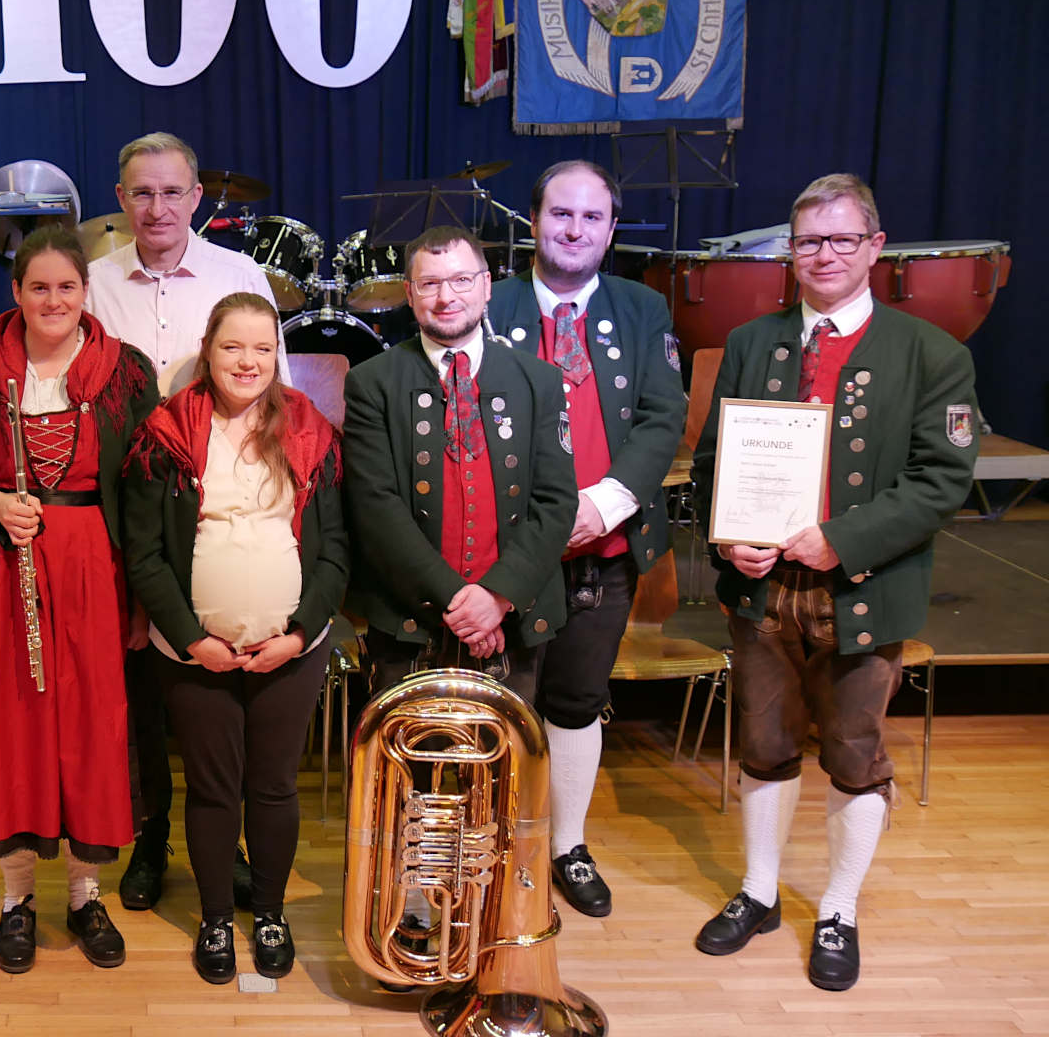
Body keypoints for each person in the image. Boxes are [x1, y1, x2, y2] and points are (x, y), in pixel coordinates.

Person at [690, 174, 977, 992]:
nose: (822, 255)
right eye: (808, 240)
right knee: (764, 748)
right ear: (790, 250)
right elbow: (713, 464)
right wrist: (730, 541)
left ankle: (840, 908)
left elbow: (939, 483)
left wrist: (839, 540)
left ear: (875, 248)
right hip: (760, 594)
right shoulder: (750, 343)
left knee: (854, 757)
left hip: (863, 589)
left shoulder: (932, 354)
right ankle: (757, 893)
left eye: (840, 239)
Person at [0, 225, 158, 974]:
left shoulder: (126, 375)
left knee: (91, 733)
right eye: (38, 287)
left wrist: (143, 596)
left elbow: (147, 495)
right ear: (15, 293)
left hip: (94, 575)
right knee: (13, 732)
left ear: (86, 292)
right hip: (3, 577)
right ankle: (17, 901)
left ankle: (84, 896)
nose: (54, 300)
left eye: (67, 287)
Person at [84, 130, 284, 913]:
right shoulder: (92, 283)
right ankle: (151, 838)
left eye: (173, 192)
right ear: (120, 200)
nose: (157, 207)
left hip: (221, 514)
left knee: (215, 695)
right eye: (142, 192)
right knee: (137, 693)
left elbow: (275, 395)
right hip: (122, 508)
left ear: (197, 197)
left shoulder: (241, 277)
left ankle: (224, 837)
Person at [122, 292, 347, 984]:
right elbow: (145, 555)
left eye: (262, 347)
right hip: (193, 652)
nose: (247, 360)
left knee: (275, 788)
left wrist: (301, 631)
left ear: (277, 355)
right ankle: (217, 916)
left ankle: (270, 912)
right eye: (232, 347)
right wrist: (192, 639)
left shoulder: (310, 430)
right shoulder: (163, 433)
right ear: (208, 351)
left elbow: (336, 548)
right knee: (214, 791)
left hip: (292, 651)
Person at [484, 160, 685, 918]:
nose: (574, 230)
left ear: (610, 228)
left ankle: (566, 844)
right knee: (504, 707)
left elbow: (664, 420)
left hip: (604, 547)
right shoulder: (487, 299)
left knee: (574, 702)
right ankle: (501, 850)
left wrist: (605, 503)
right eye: (560, 214)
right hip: (504, 554)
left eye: (591, 218)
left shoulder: (643, 310)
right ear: (533, 221)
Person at [343, 225, 577, 696]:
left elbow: (555, 502)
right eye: (429, 284)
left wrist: (497, 596)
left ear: (487, 286)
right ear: (409, 294)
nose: (446, 297)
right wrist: (461, 603)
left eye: (461, 280)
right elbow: (375, 508)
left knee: (505, 767)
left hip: (514, 616)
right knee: (405, 769)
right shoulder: (372, 383)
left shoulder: (540, 381)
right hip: (408, 619)